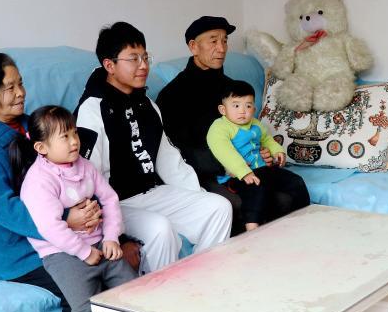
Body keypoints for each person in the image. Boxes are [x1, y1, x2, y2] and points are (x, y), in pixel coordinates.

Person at [0, 53, 101, 312]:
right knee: (84, 288)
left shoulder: (32, 126)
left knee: (112, 267)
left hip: (55, 235)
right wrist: (66, 219)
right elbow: (5, 209)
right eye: (9, 88)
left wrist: (89, 211)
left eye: (20, 84)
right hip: (13, 250)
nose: (21, 93)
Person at [75, 22, 232, 274]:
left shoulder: (147, 104)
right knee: (160, 228)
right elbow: (87, 179)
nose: (143, 65)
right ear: (109, 65)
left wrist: (197, 196)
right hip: (116, 203)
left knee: (218, 207)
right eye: (133, 59)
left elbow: (170, 162)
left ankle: (205, 279)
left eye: (145, 57)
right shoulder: (92, 109)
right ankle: (160, 294)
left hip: (152, 193)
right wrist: (116, 236)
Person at [10, 105, 137, 312]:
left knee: (133, 290)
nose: (74, 141)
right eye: (64, 137)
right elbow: (50, 227)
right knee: (83, 308)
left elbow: (110, 199)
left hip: (99, 242)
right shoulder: (39, 181)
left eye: (74, 133)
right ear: (41, 148)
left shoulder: (85, 166)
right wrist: (84, 252)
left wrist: (111, 237)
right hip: (61, 252)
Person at [156, 15, 284, 234]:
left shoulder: (232, 89)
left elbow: (251, 129)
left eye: (225, 41)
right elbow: (176, 150)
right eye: (213, 41)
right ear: (193, 47)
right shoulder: (172, 95)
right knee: (236, 206)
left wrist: (261, 151)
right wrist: (227, 165)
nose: (222, 48)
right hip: (206, 173)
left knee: (285, 193)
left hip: (247, 167)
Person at [206, 80, 310, 231]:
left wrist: (277, 151)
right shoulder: (219, 128)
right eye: (236, 106)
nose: (242, 111)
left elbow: (267, 139)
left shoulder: (256, 124)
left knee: (296, 181)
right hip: (237, 176)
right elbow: (224, 152)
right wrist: (243, 171)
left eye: (248, 106)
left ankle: (304, 216)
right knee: (256, 188)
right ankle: (252, 227)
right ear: (223, 109)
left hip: (262, 170)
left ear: (254, 109)